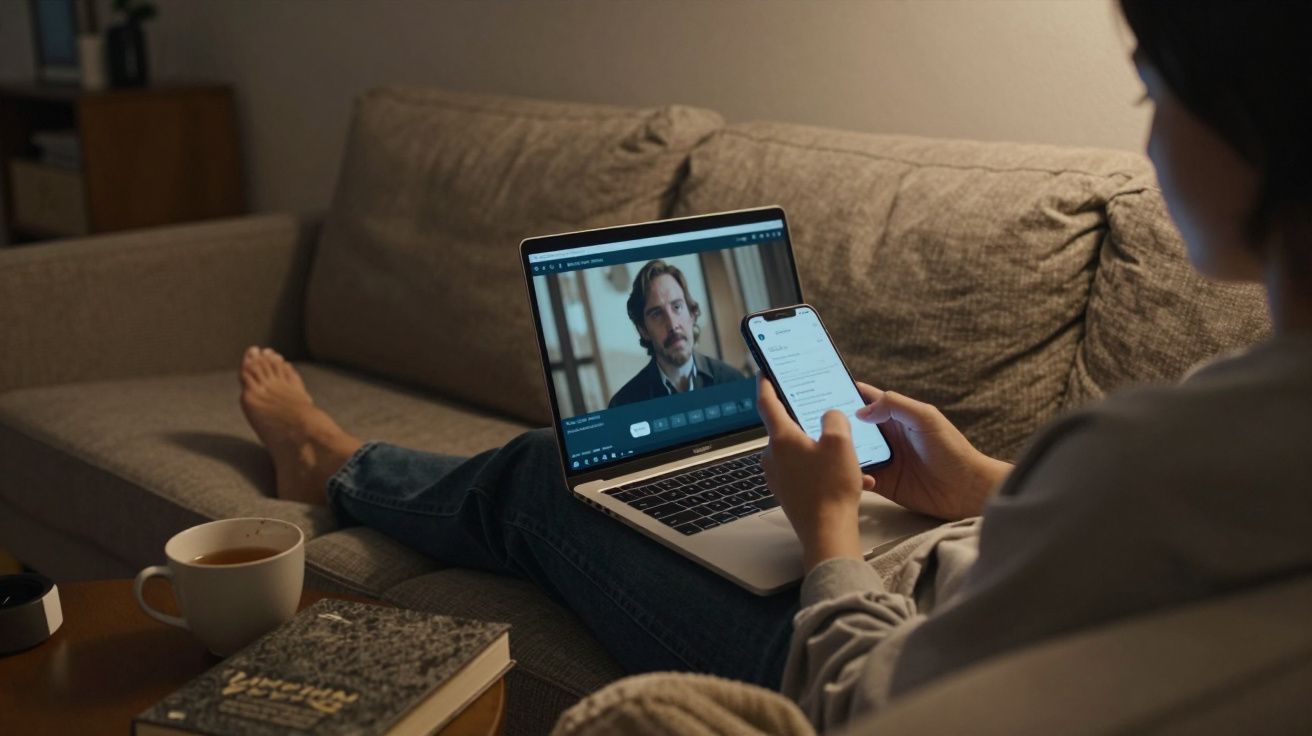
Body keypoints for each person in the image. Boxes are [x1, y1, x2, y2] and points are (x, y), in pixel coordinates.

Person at [236, 2, 1311, 730]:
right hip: (940, 542)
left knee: (543, 470)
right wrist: (983, 481)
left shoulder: (1145, 458)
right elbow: (1126, 549)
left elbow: (866, 707)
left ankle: (330, 464)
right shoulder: (1224, 448)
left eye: (1152, 95)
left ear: (1255, 128)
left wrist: (830, 529)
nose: (1152, 139)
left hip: (864, 614)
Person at [606, 260, 746, 408]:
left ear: (691, 314)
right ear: (644, 330)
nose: (672, 325)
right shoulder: (624, 405)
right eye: (657, 314)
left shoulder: (733, 382)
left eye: (677, 306)